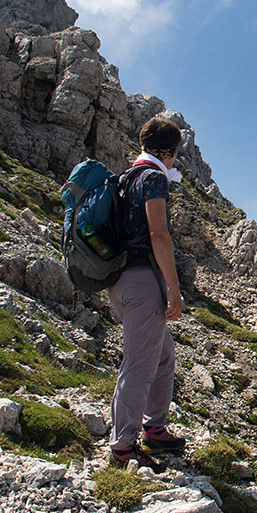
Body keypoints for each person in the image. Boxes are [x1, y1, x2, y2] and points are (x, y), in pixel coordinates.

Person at [108, 117, 186, 471]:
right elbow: (158, 235)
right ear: (167, 152)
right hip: (142, 282)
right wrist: (173, 287)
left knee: (163, 355)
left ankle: (155, 428)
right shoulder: (153, 178)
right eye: (174, 155)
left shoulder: (125, 178)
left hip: (122, 280)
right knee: (139, 363)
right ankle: (124, 445)